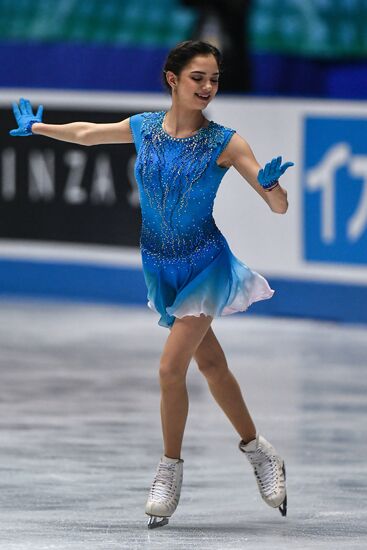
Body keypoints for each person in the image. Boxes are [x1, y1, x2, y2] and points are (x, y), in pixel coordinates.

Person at [9, 40, 293, 529]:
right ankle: (259, 450)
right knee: (213, 365)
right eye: (198, 78)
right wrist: (40, 127)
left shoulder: (225, 141)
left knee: (169, 370)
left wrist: (271, 186)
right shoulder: (144, 128)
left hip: (205, 265)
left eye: (214, 80)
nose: (208, 87)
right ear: (172, 79)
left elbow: (280, 207)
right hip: (160, 266)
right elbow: (89, 133)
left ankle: (169, 468)